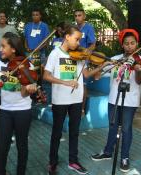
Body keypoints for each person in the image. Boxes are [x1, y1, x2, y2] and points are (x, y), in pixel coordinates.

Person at [43, 24, 110, 174]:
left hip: (76, 99)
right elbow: (46, 76)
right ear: (67, 37)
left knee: (74, 132)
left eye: (79, 40)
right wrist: (65, 82)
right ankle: (52, 161)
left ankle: (73, 161)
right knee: (57, 132)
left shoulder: (79, 56)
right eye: (77, 39)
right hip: (60, 100)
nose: (79, 43)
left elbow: (85, 75)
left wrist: (102, 65)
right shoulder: (55, 54)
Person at [91, 29, 141, 173]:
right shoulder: (115, 59)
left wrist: (139, 70)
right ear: (122, 45)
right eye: (126, 43)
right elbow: (96, 76)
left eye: (132, 43)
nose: (129, 46)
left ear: (137, 44)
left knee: (126, 129)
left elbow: (139, 81)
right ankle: (108, 151)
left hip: (131, 101)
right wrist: (102, 66)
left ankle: (124, 157)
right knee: (113, 127)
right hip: (114, 99)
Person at [0, 32, 37, 175]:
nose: (0, 49)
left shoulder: (27, 64)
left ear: (13, 48)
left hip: (23, 110)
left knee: (22, 145)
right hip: (5, 110)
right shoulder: (0, 64)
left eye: (3, 46)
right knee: (2, 146)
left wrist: (28, 89)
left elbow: (23, 93)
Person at [74, 9, 96, 116]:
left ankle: (82, 109)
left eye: (79, 15)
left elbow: (93, 44)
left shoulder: (88, 28)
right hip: (73, 58)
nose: (77, 17)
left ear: (84, 16)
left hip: (83, 58)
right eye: (76, 15)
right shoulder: (73, 28)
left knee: (83, 84)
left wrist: (88, 51)